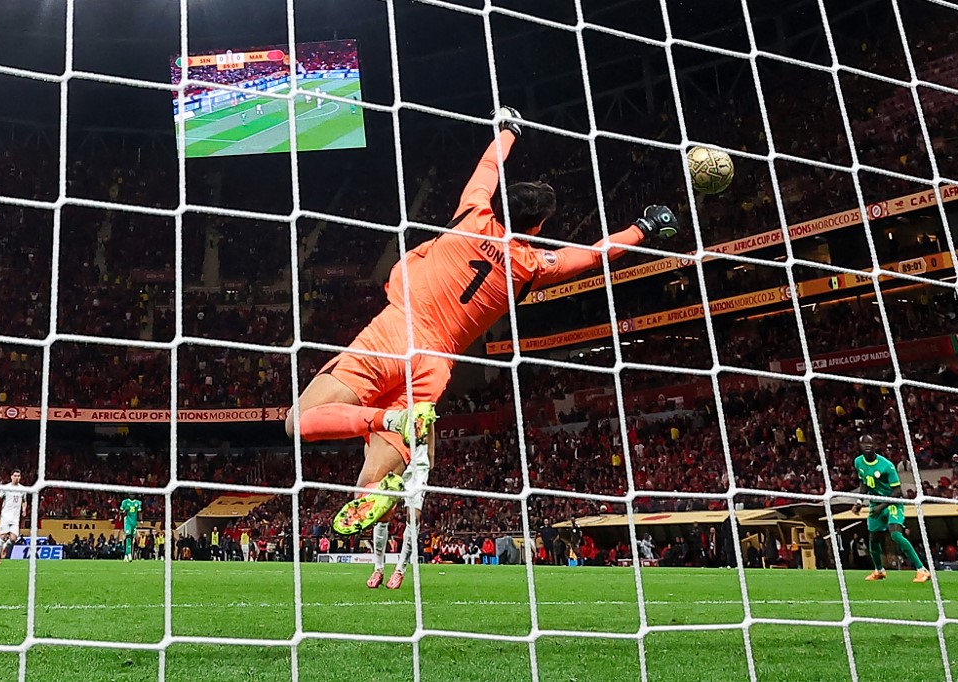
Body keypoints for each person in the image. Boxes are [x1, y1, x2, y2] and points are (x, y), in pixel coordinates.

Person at [288, 106, 678, 532]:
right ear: (537, 227)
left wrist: (508, 129)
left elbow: (488, 167)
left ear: (500, 204)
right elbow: (593, 254)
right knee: (370, 481)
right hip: (435, 365)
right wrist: (643, 227)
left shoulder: (473, 212)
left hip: (395, 333)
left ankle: (386, 420)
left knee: (297, 422)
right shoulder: (531, 266)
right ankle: (381, 481)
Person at [852, 434, 930, 583]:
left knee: (896, 535)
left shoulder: (887, 465)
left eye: (870, 443)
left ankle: (922, 570)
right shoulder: (858, 462)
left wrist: (881, 507)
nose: (867, 446)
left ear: (875, 446)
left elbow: (898, 491)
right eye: (863, 443)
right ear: (859, 446)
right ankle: (879, 571)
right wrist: (859, 501)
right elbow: (864, 483)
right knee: (873, 540)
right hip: (875, 504)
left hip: (892, 503)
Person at [367, 438, 431, 590]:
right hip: (393, 461)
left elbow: (430, 428)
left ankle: (400, 570)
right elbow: (371, 439)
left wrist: (431, 455)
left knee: (413, 517)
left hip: (418, 465)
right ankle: (378, 569)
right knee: (383, 514)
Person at [0, 469, 26, 565]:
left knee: (13, 539)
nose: (17, 478)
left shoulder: (23, 489)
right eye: (15, 476)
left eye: (18, 476)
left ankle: (4, 547)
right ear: (11, 477)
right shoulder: (6, 488)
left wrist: (24, 509)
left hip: (15, 518)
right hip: (5, 516)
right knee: (2, 536)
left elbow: (24, 501)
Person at [119, 496, 142, 563]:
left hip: (134, 523)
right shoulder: (125, 502)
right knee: (128, 536)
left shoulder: (138, 502)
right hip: (127, 522)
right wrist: (124, 511)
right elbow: (121, 511)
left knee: (131, 538)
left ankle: (126, 555)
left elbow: (139, 512)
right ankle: (129, 554)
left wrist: (141, 520)